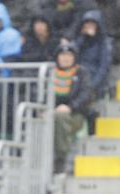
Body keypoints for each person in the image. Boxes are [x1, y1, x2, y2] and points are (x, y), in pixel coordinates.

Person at [51, 43, 93, 175]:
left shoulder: (81, 73)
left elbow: (85, 95)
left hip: (75, 115)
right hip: (50, 113)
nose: (65, 58)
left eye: (69, 55)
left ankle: (61, 158)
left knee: (60, 118)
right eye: (62, 55)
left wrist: (70, 107)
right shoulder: (49, 72)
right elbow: (37, 92)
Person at [73, 10, 113, 98]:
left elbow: (103, 68)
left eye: (92, 24)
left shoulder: (104, 43)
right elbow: (71, 54)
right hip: (77, 78)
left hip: (93, 78)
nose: (89, 26)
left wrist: (92, 85)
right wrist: (83, 37)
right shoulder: (79, 39)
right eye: (87, 23)